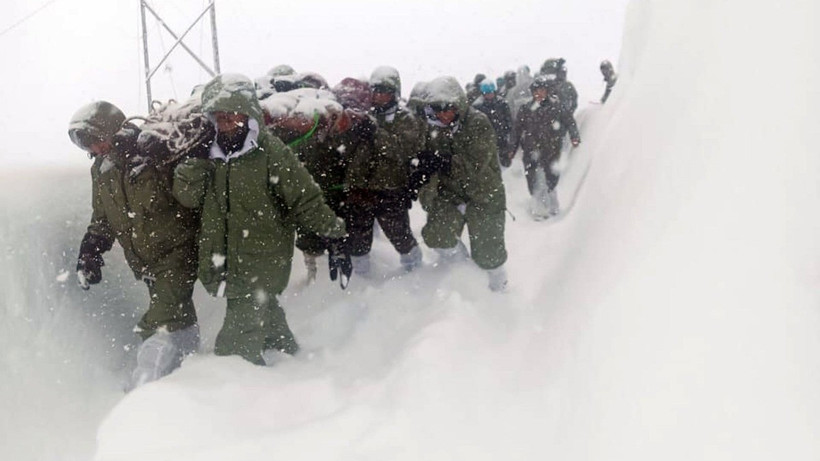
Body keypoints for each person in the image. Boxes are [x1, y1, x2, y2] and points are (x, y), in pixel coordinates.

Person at [173, 74, 347, 365]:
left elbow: (304, 197)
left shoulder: (270, 152)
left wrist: (335, 235)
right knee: (265, 313)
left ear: (249, 114)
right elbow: (188, 198)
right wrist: (193, 162)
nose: (226, 125)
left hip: (261, 257)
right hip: (226, 255)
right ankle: (289, 361)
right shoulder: (209, 153)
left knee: (235, 348)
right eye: (219, 118)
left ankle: (234, 392)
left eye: (232, 117)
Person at [68, 101, 201, 389]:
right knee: (177, 316)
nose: (92, 150)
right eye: (86, 145)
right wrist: (91, 249)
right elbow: (103, 218)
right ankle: (190, 372)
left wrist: (168, 161)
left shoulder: (153, 153)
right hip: (146, 261)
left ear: (112, 132)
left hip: (177, 252)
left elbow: (193, 197)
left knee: (158, 323)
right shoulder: (101, 170)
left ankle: (144, 391)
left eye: (94, 140)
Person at [333, 66, 426, 274]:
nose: (378, 96)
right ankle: (361, 279)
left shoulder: (406, 119)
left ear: (394, 93)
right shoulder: (364, 116)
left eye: (384, 91)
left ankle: (416, 272)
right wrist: (349, 132)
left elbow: (402, 150)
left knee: (400, 235)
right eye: (375, 91)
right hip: (359, 188)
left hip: (390, 188)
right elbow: (345, 151)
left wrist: (375, 131)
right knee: (357, 239)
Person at [419, 76, 509, 292]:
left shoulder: (478, 122)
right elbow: (427, 162)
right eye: (436, 109)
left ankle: (499, 290)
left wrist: (444, 161)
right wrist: (425, 186)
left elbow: (476, 162)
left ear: (457, 104)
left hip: (484, 193)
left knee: (489, 253)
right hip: (451, 193)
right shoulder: (435, 127)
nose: (442, 114)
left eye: (446, 108)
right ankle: (465, 276)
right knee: (437, 235)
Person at [507, 76, 581, 220]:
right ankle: (537, 206)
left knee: (551, 178)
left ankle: (552, 203)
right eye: (536, 91)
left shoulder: (556, 107)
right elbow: (517, 130)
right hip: (530, 150)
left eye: (542, 90)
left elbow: (569, 121)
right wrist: (512, 148)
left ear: (547, 91)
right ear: (532, 93)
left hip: (551, 150)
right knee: (532, 178)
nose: (539, 94)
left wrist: (574, 136)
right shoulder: (526, 109)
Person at [472, 79, 513, 167]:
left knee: (506, 163)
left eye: (491, 92)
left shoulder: (502, 103)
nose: (489, 95)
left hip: (502, 135)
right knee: (489, 163)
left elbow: (508, 120)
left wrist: (507, 131)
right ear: (483, 93)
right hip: (486, 138)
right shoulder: (477, 106)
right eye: (486, 93)